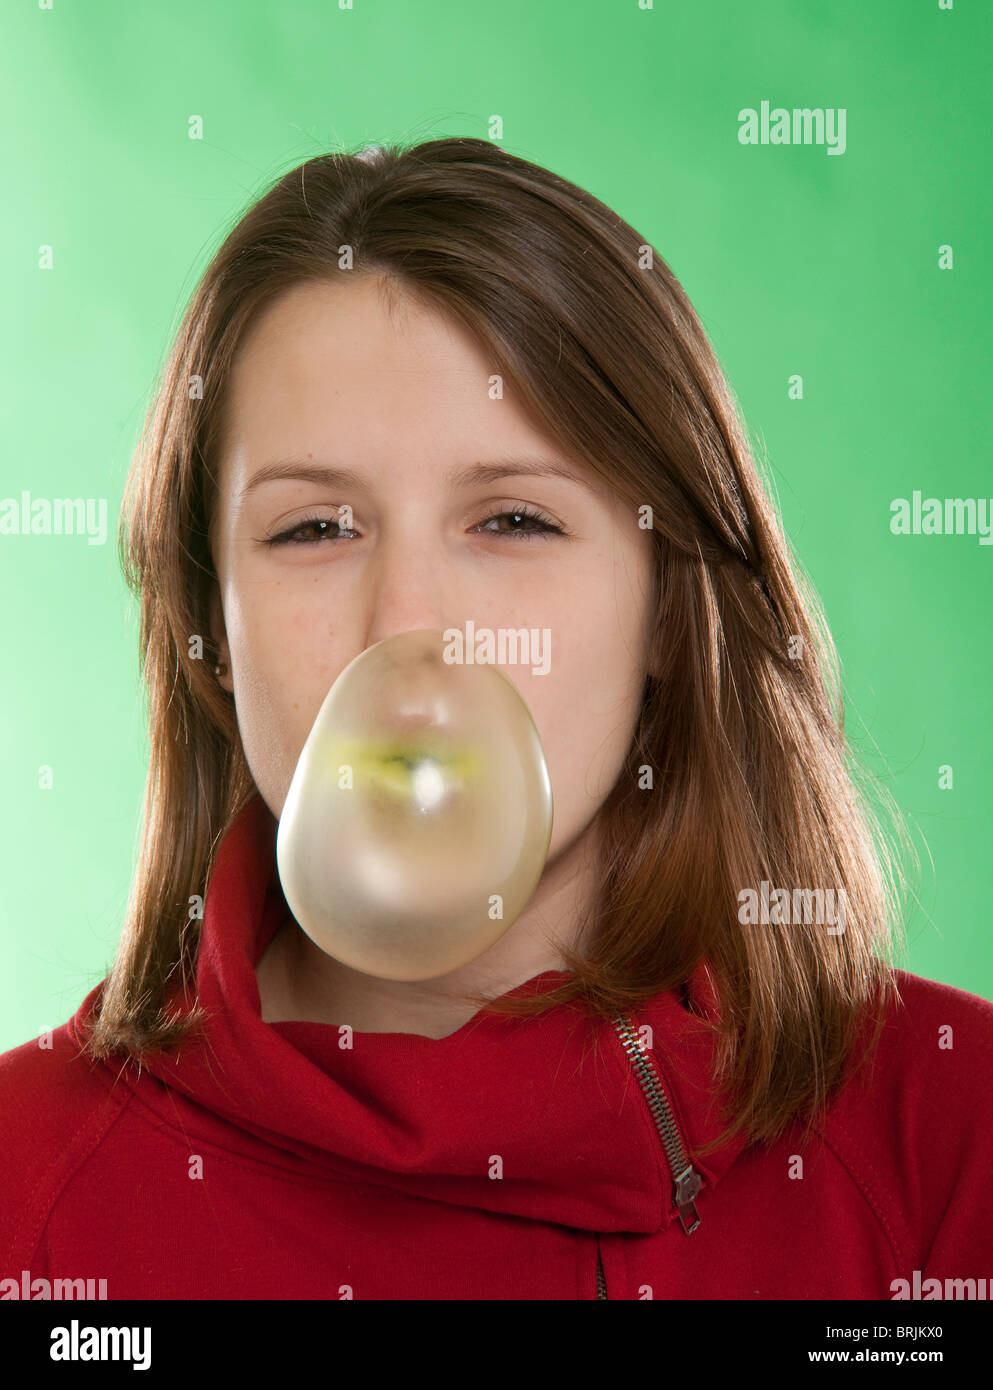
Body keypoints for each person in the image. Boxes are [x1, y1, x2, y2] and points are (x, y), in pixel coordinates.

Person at [1, 139, 991, 1301]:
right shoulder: (26, 1195)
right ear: (209, 630)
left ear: (670, 609)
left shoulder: (950, 1144)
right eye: (314, 529)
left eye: (515, 520)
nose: (408, 624)